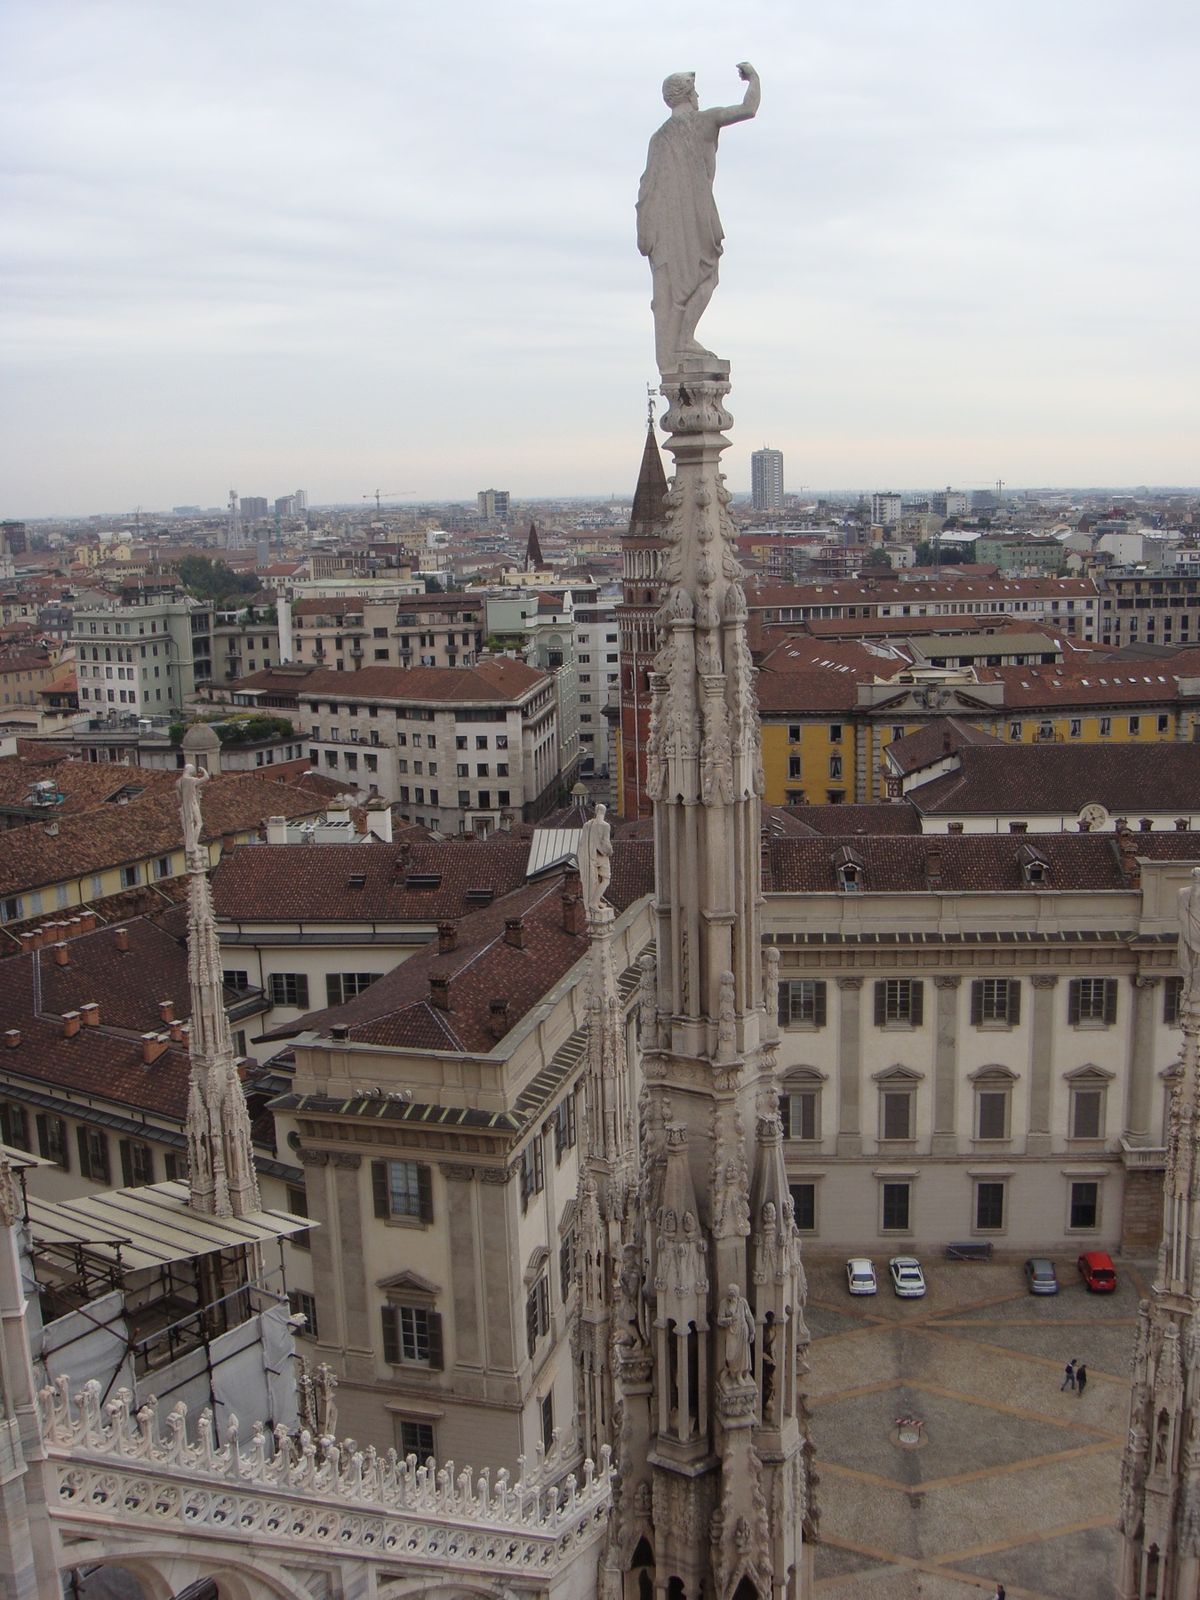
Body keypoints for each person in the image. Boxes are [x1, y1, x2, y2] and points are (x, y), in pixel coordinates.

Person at [636, 63, 761, 374]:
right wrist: (754, 79)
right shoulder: (705, 120)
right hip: (696, 214)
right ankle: (684, 338)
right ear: (690, 95)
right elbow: (749, 109)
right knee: (708, 274)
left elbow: (647, 186)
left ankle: (683, 339)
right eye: (696, 92)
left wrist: (646, 231)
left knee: (685, 281)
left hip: (669, 224)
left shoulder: (658, 139)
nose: (698, 97)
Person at [577, 803, 613, 916]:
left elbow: (583, 843)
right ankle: (594, 901)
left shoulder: (587, 825)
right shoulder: (605, 826)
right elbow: (606, 843)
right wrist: (610, 851)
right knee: (606, 879)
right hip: (601, 857)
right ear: (604, 812)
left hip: (590, 857)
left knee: (596, 880)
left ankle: (596, 900)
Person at [1178, 867, 1200, 1009]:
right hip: (1191, 931)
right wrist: (1189, 934)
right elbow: (1182, 914)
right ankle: (1191, 989)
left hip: (1191, 931)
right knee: (1190, 964)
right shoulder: (1183, 893)